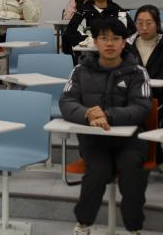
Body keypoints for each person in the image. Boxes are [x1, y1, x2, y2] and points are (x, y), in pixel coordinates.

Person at [60, 18, 151, 235]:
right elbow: (66, 102)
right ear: (95, 42)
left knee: (131, 171)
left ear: (123, 43)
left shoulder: (138, 72)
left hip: (130, 141)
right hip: (94, 138)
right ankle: (83, 224)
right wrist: (88, 114)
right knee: (98, 172)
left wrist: (107, 115)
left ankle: (134, 228)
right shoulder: (80, 71)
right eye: (104, 38)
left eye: (115, 38)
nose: (109, 43)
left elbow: (142, 107)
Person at [128, 5, 163, 130]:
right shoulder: (127, 46)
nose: (144, 28)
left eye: (149, 23)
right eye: (140, 23)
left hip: (157, 98)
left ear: (157, 24)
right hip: (131, 97)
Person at [63, 0, 135, 55]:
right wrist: (88, 40)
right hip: (87, 55)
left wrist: (115, 40)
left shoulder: (117, 10)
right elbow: (70, 32)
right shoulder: (83, 11)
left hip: (114, 54)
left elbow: (132, 30)